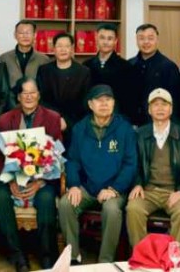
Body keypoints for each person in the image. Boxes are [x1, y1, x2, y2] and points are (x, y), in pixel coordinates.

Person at [58, 85, 137, 264]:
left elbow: (130, 164)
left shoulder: (124, 129)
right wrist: (74, 185)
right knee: (65, 204)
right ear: (90, 104)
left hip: (114, 189)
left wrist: (114, 189)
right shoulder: (80, 129)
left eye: (108, 100)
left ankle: (105, 261)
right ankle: (73, 257)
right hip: (87, 188)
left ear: (114, 103)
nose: (104, 104)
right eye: (99, 100)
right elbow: (72, 160)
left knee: (111, 210)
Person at [0, 77, 62, 272]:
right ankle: (17, 255)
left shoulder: (52, 118)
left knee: (46, 198)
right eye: (24, 93)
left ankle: (47, 256)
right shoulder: (6, 119)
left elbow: (57, 152)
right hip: (13, 177)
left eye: (33, 92)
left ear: (39, 95)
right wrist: (10, 181)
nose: (29, 97)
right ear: (18, 97)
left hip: (42, 179)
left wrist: (40, 182)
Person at [126, 88, 180, 248]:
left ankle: (173, 256)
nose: (160, 108)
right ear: (149, 110)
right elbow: (132, 164)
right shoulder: (139, 134)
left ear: (171, 109)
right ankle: (141, 255)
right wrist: (137, 183)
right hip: (148, 190)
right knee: (133, 209)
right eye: (155, 104)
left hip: (173, 191)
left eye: (164, 104)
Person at [36, 32, 91, 135]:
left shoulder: (83, 72)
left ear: (72, 48)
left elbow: (84, 102)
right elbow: (40, 99)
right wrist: (57, 118)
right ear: (53, 49)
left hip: (75, 124)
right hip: (48, 122)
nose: (63, 49)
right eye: (59, 46)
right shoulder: (44, 70)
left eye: (67, 46)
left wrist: (67, 122)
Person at [83, 23, 136, 125]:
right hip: (91, 119)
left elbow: (130, 100)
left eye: (110, 38)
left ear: (115, 41)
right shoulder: (86, 65)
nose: (105, 42)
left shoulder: (126, 67)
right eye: (102, 38)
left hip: (117, 120)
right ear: (96, 39)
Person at [130, 24, 180, 126]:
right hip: (132, 123)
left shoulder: (169, 67)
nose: (146, 42)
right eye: (141, 38)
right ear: (136, 40)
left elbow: (174, 100)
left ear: (157, 40)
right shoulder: (129, 65)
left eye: (150, 38)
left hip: (158, 123)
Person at [0, 20, 51, 87]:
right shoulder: (4, 58)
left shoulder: (44, 60)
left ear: (35, 35)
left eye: (28, 33)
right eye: (21, 33)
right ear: (15, 35)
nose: (25, 36)